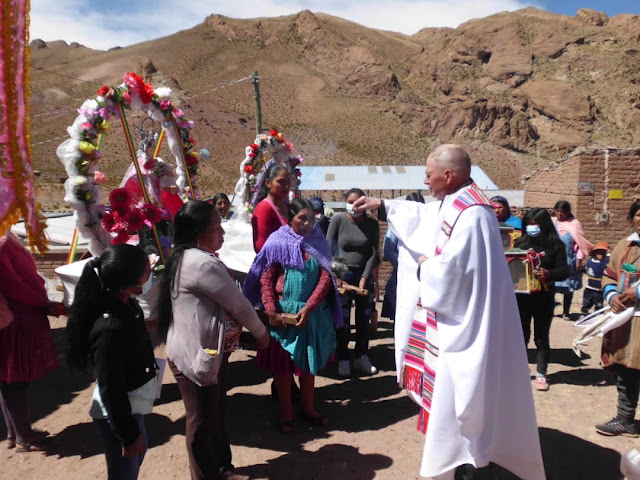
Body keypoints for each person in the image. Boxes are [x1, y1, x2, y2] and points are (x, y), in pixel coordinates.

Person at [352, 144, 545, 480]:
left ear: (449, 175)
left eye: (429, 175)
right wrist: (383, 205)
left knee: (465, 398)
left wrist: (426, 265)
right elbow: (427, 216)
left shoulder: (471, 213)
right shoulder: (459, 203)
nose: (425, 181)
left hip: (467, 326)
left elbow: (452, 274)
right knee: (460, 399)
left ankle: (471, 462)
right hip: (463, 317)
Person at [157, 200, 270, 480]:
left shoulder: (188, 256)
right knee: (201, 420)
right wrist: (262, 334)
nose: (223, 233)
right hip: (196, 356)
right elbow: (239, 305)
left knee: (214, 414)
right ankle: (206, 475)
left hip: (209, 352)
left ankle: (222, 469)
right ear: (198, 232)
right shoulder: (201, 263)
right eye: (216, 227)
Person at [244, 198, 342, 433]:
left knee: (308, 367)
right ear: (290, 219)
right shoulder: (278, 242)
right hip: (283, 316)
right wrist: (271, 311)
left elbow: (326, 277)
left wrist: (309, 307)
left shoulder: (318, 241)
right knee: (284, 368)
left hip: (310, 315)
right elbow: (266, 278)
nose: (308, 223)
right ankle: (286, 413)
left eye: (311, 218)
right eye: (302, 219)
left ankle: (308, 409)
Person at [66, 244, 156, 479]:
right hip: (117, 411)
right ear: (129, 282)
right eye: (148, 271)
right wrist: (126, 434)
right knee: (124, 471)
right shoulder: (110, 328)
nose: (151, 274)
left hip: (132, 401)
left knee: (140, 451)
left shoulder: (126, 306)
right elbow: (112, 388)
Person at [0, 232, 62, 453]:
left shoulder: (4, 237)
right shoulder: (1, 244)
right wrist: (44, 303)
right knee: (14, 381)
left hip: (14, 318)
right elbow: (14, 286)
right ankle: (24, 437)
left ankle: (15, 432)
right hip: (13, 321)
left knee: (8, 381)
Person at [595, 201, 640, 437]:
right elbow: (609, 275)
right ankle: (625, 419)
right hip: (626, 320)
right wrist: (611, 295)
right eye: (638, 215)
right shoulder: (625, 246)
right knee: (626, 369)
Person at [326, 188, 380, 377]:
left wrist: (365, 277)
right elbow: (330, 247)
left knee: (364, 317)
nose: (353, 206)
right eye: (350, 202)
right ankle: (343, 358)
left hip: (363, 273)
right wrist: (337, 276)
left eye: (358, 203)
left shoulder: (372, 224)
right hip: (343, 272)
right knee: (343, 318)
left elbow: (373, 252)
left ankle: (361, 355)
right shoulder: (338, 220)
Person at [514, 208, 569, 391]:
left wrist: (548, 273)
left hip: (544, 297)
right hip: (521, 298)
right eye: (528, 224)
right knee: (521, 336)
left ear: (543, 225)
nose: (531, 228)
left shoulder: (555, 246)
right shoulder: (519, 243)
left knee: (541, 337)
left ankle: (541, 374)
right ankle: (519, 372)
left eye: (535, 224)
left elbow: (563, 272)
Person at [381, 192, 425, 321]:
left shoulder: (428, 224)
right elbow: (387, 250)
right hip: (401, 273)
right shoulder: (396, 226)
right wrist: (404, 262)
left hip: (423, 273)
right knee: (402, 312)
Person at [553, 200, 593, 320]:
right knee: (551, 286)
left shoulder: (575, 224)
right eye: (557, 211)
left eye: (562, 212)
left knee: (569, 288)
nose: (559, 214)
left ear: (568, 212)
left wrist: (579, 261)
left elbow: (580, 244)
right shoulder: (552, 223)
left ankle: (566, 312)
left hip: (569, 261)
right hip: (554, 260)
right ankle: (549, 310)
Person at [251, 163, 291, 253]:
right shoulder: (264, 208)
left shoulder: (289, 208)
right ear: (268, 183)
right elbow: (261, 246)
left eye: (288, 182)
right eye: (281, 182)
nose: (286, 186)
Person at [581, 241, 610, 316]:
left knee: (598, 303)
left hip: (599, 289)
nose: (601, 254)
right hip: (589, 287)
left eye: (603, 252)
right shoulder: (590, 261)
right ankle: (584, 313)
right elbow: (586, 269)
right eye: (599, 252)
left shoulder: (605, 263)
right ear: (594, 253)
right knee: (586, 302)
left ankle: (598, 315)